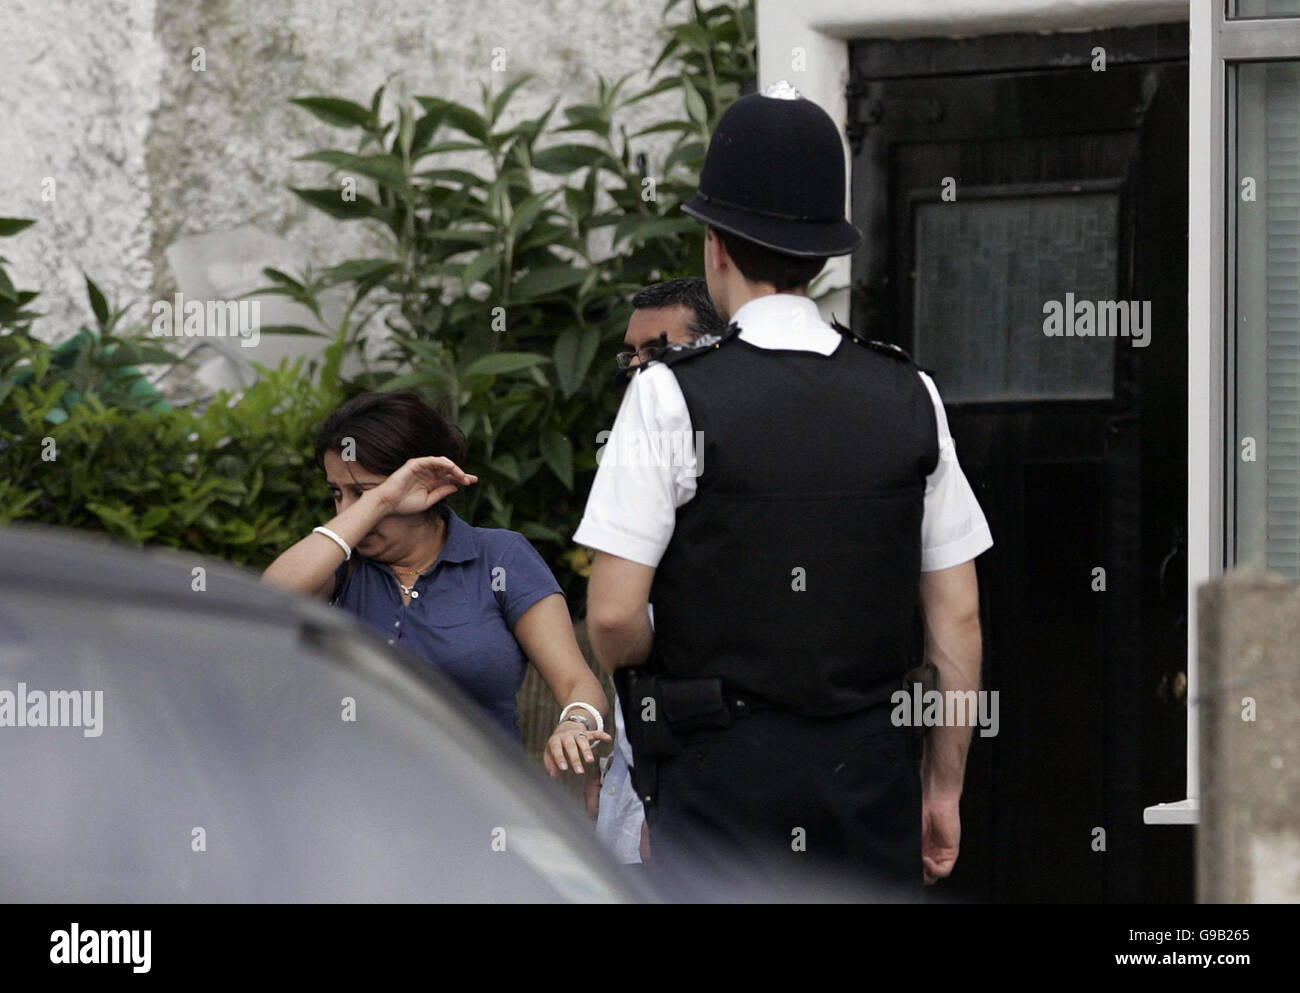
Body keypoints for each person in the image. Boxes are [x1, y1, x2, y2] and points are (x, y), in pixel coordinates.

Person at [575, 82, 992, 897]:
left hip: (718, 774)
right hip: (870, 775)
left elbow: (616, 615)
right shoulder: (912, 393)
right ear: (823, 250)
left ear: (717, 243)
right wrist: (942, 786)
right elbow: (958, 620)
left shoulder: (667, 394)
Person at [262, 391, 611, 779]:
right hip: (348, 807)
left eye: (364, 491)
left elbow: (578, 682)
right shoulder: (338, 563)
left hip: (479, 807)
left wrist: (575, 723)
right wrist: (376, 503)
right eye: (337, 493)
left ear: (419, 486)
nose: (347, 510)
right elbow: (272, 597)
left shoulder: (498, 557)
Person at [589, 276, 724, 866]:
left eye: (659, 351)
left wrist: (661, 799)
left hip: (696, 782)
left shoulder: (729, 462)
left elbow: (616, 622)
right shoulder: (638, 451)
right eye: (633, 355)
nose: (641, 370)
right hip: (638, 772)